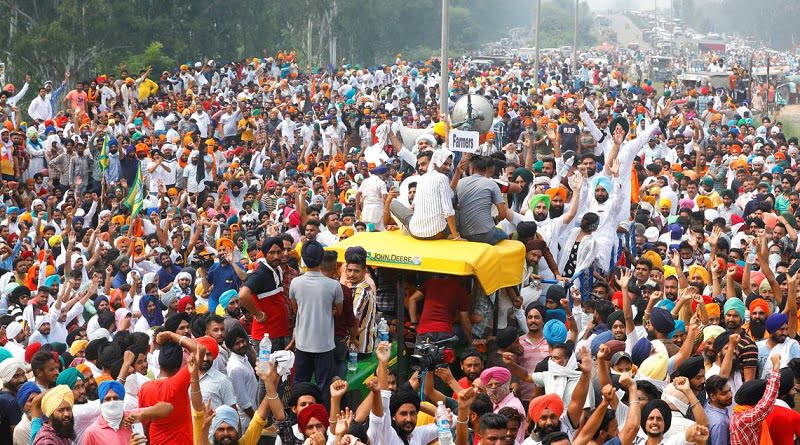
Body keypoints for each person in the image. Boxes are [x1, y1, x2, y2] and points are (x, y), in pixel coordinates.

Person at [289, 240, 343, 405]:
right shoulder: (334, 285)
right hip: (324, 345)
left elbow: (295, 309)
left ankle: (299, 420)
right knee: (324, 386)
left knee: (300, 384)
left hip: (303, 343)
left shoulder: (295, 283)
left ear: (303, 260)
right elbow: (338, 311)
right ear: (321, 260)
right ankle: (323, 418)